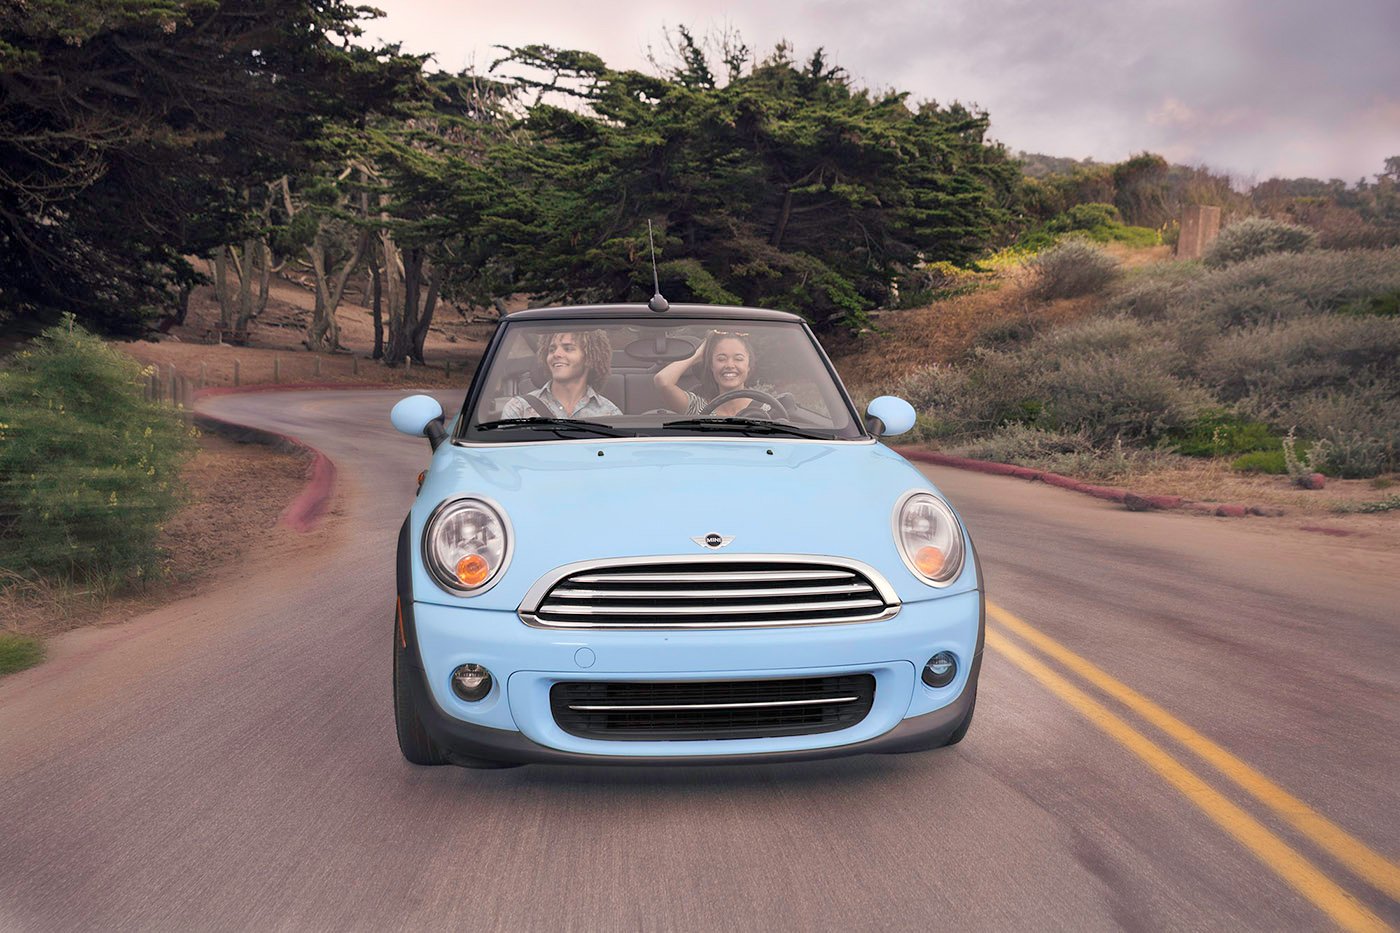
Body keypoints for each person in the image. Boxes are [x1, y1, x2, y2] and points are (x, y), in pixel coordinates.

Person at [502, 330, 621, 419]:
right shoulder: (519, 409)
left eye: (568, 348)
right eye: (551, 350)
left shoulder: (610, 414)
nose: (557, 354)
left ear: (589, 358)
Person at [653, 331, 760, 417]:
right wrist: (698, 354)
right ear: (711, 366)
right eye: (721, 359)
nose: (730, 365)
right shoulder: (698, 408)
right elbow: (663, 381)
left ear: (749, 365)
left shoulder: (766, 410)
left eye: (738, 359)